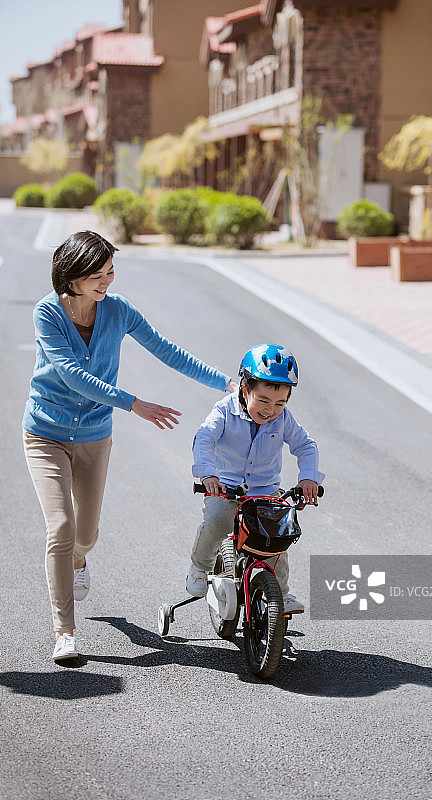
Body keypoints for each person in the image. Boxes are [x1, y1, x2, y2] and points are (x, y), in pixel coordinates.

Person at [23, 230, 237, 664]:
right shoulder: (48, 313)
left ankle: (79, 559)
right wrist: (134, 403)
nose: (107, 281)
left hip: (93, 437)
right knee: (61, 528)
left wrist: (229, 384)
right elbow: (69, 374)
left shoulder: (117, 312)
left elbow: (167, 351)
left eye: (110, 271)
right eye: (98, 274)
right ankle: (64, 631)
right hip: (45, 434)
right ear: (73, 276)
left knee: (86, 535)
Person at [186, 343, 324, 613]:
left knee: (277, 540)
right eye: (262, 400)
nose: (270, 409)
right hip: (224, 489)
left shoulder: (283, 419)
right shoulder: (224, 410)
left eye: (280, 403)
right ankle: (200, 567)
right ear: (244, 389)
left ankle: (280, 593)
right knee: (215, 522)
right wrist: (208, 474)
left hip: (264, 493)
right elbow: (205, 438)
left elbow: (306, 446)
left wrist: (309, 478)